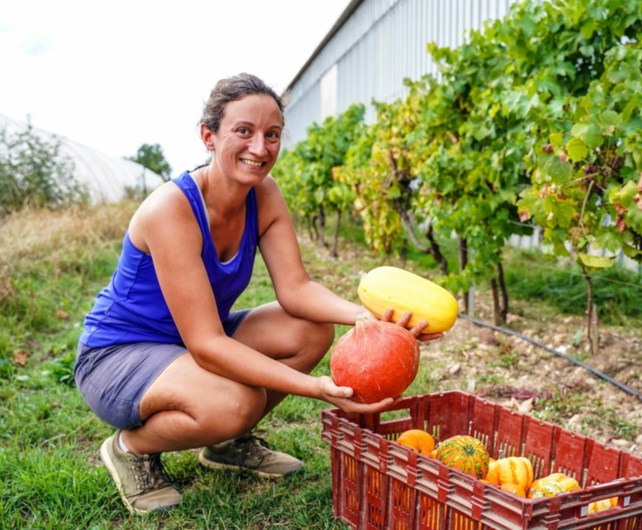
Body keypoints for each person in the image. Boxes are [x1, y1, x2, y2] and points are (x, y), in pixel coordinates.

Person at [74, 72, 441, 515]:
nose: (260, 148)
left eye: (272, 135)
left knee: (309, 330)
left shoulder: (263, 195)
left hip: (191, 341)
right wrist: (313, 387)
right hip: (119, 355)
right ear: (209, 136)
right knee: (236, 402)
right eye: (243, 131)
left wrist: (374, 319)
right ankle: (131, 447)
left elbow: (297, 289)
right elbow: (207, 345)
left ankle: (227, 443)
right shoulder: (170, 210)